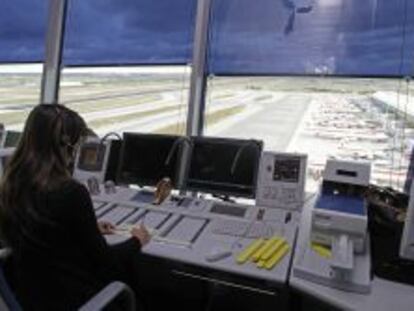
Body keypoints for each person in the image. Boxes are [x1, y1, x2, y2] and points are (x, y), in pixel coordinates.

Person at [0, 104, 150, 310]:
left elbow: (45, 234)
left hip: (30, 296)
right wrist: (137, 241)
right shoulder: (70, 192)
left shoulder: (10, 185)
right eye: (77, 144)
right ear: (66, 146)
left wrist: (88, 228)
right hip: (74, 301)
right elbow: (107, 263)